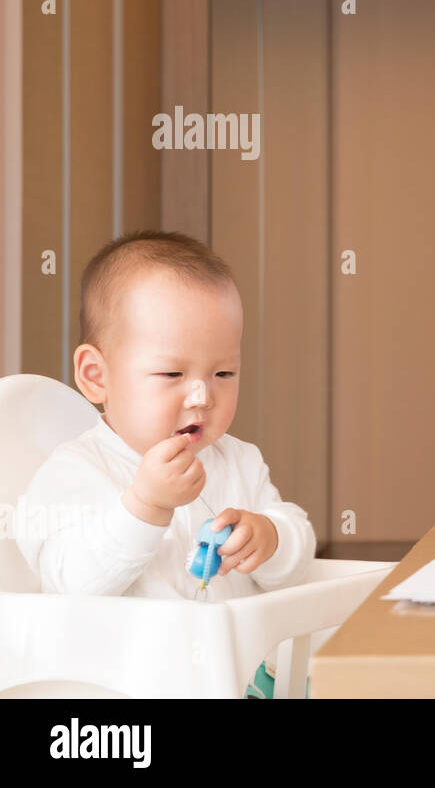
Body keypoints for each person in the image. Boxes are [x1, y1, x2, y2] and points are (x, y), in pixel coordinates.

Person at [16, 230, 316, 696]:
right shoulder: (76, 470)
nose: (202, 395)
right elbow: (70, 586)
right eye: (172, 374)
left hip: (238, 681)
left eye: (223, 373)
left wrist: (270, 536)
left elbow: (298, 555)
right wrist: (144, 506)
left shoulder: (237, 459)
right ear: (97, 377)